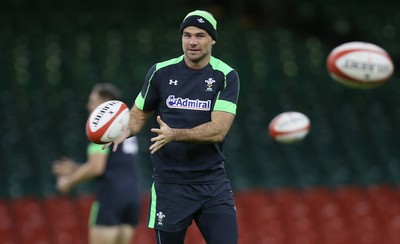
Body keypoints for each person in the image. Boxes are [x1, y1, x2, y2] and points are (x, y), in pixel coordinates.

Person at [106, 10, 240, 244]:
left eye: (200, 35)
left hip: (212, 183)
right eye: (187, 35)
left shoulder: (226, 76)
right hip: (170, 185)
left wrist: (175, 134)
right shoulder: (160, 72)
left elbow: (219, 129)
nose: (192, 42)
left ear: (213, 40)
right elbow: (138, 115)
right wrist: (124, 130)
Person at [52, 83, 142, 244]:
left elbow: (96, 168)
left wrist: (68, 182)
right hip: (132, 197)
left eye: (92, 100)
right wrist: (76, 168)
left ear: (104, 102)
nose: (89, 105)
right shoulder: (126, 125)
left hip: (110, 197)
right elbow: (114, 166)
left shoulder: (101, 128)